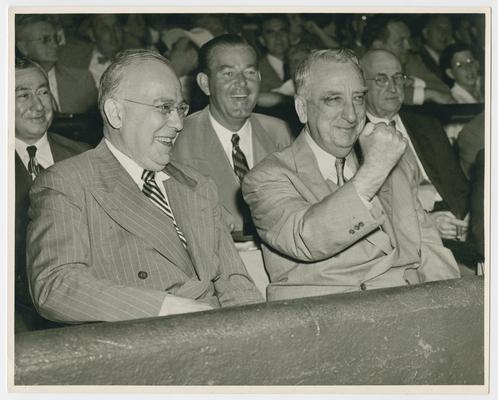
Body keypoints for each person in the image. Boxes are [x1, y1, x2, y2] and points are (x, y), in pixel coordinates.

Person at [26, 49, 263, 324]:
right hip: (141, 343)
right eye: (163, 108)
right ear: (115, 113)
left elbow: (235, 284)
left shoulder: (198, 185)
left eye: (180, 109)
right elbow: (55, 285)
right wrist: (164, 308)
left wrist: (253, 336)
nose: (177, 124)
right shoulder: (68, 183)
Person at [242, 49, 460, 301]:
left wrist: (449, 310)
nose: (351, 115)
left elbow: (431, 250)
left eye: (358, 98)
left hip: (409, 310)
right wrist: (373, 172)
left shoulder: (395, 164)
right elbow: (307, 238)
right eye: (333, 99)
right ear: (302, 109)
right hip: (325, 319)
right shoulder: (266, 178)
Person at [360, 49, 475, 270]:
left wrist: (465, 219)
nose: (392, 87)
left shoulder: (426, 124)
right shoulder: (356, 138)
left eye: (398, 78)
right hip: (411, 235)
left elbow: (458, 186)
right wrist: (427, 223)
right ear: (362, 86)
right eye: (381, 79)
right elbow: (372, 211)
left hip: (455, 225)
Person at [173, 34, 293, 239]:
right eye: (228, 73)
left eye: (250, 72)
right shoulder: (178, 139)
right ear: (204, 83)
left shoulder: (280, 132)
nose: (242, 84)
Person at [14, 57, 91, 331]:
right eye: (22, 95)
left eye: (43, 92)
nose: (38, 105)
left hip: (86, 307)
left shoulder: (85, 157)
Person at [362, 14, 453, 105]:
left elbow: (444, 89)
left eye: (408, 40)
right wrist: (427, 94)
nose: (408, 46)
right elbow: (375, 95)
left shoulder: (408, 60)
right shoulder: (360, 66)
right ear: (378, 46)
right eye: (400, 41)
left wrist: (415, 82)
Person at [15, 15, 97, 114]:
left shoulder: (82, 81)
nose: (54, 45)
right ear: (23, 47)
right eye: (45, 39)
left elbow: (94, 123)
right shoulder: (12, 84)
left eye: (55, 38)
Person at [258, 15, 291, 93]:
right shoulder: (256, 71)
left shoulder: (302, 64)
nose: (278, 37)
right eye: (271, 32)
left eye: (282, 31)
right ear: (262, 40)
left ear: (289, 36)